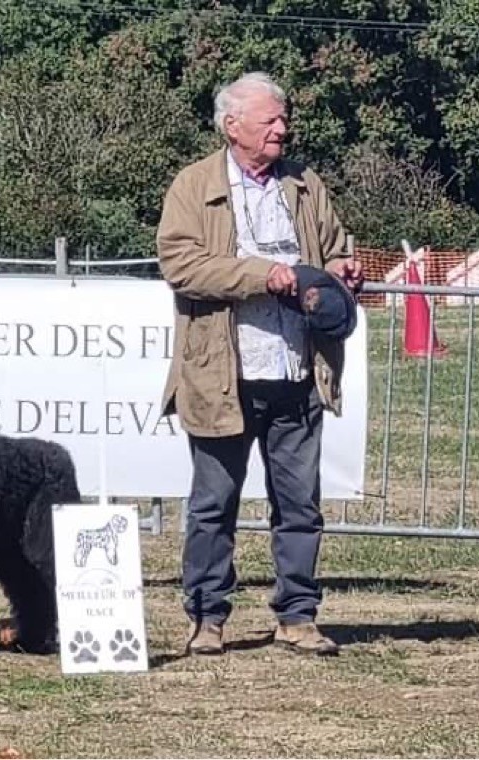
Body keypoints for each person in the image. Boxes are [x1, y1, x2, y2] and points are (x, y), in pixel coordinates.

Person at [157, 72, 363, 657]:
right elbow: (182, 265)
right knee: (212, 506)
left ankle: (297, 616)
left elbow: (336, 247)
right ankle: (206, 616)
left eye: (283, 119)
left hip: (297, 370)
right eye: (270, 120)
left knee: (300, 506)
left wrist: (345, 270)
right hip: (223, 374)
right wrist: (262, 275)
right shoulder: (193, 186)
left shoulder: (304, 184)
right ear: (232, 125)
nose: (282, 128)